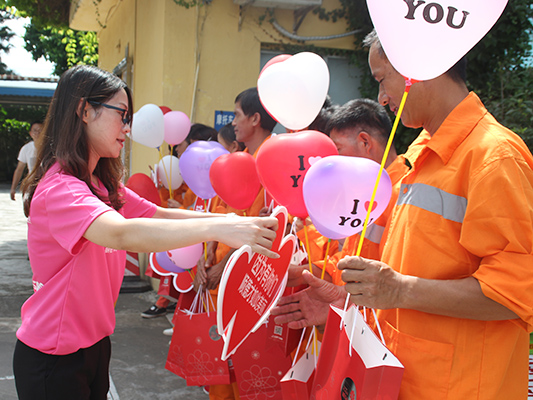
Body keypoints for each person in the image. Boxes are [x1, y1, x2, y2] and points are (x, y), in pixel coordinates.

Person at [273, 30, 533, 399]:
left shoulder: (493, 157)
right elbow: (409, 277)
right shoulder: (423, 154)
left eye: (382, 79)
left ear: (419, 67)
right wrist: (347, 299)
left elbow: (515, 294)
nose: (382, 98)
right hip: (411, 379)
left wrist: (397, 289)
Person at [12, 65, 279, 400]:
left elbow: (161, 214)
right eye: (121, 115)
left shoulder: (98, 184)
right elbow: (121, 233)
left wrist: (237, 224)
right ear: (84, 110)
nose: (127, 127)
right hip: (55, 354)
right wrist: (220, 228)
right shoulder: (62, 189)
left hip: (92, 345)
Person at [197, 87, 277, 400]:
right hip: (220, 287)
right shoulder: (236, 163)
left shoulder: (273, 165)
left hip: (252, 292)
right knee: (222, 376)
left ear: (255, 119)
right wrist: (208, 260)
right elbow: (219, 216)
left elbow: (267, 232)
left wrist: (223, 265)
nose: (233, 123)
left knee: (250, 378)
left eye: (238, 116)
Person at [10, 121, 43, 201]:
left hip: (46, 184)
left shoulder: (51, 149)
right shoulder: (26, 148)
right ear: (30, 133)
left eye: (40, 130)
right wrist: (13, 188)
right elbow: (19, 169)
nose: (38, 133)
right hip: (31, 185)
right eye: (35, 130)